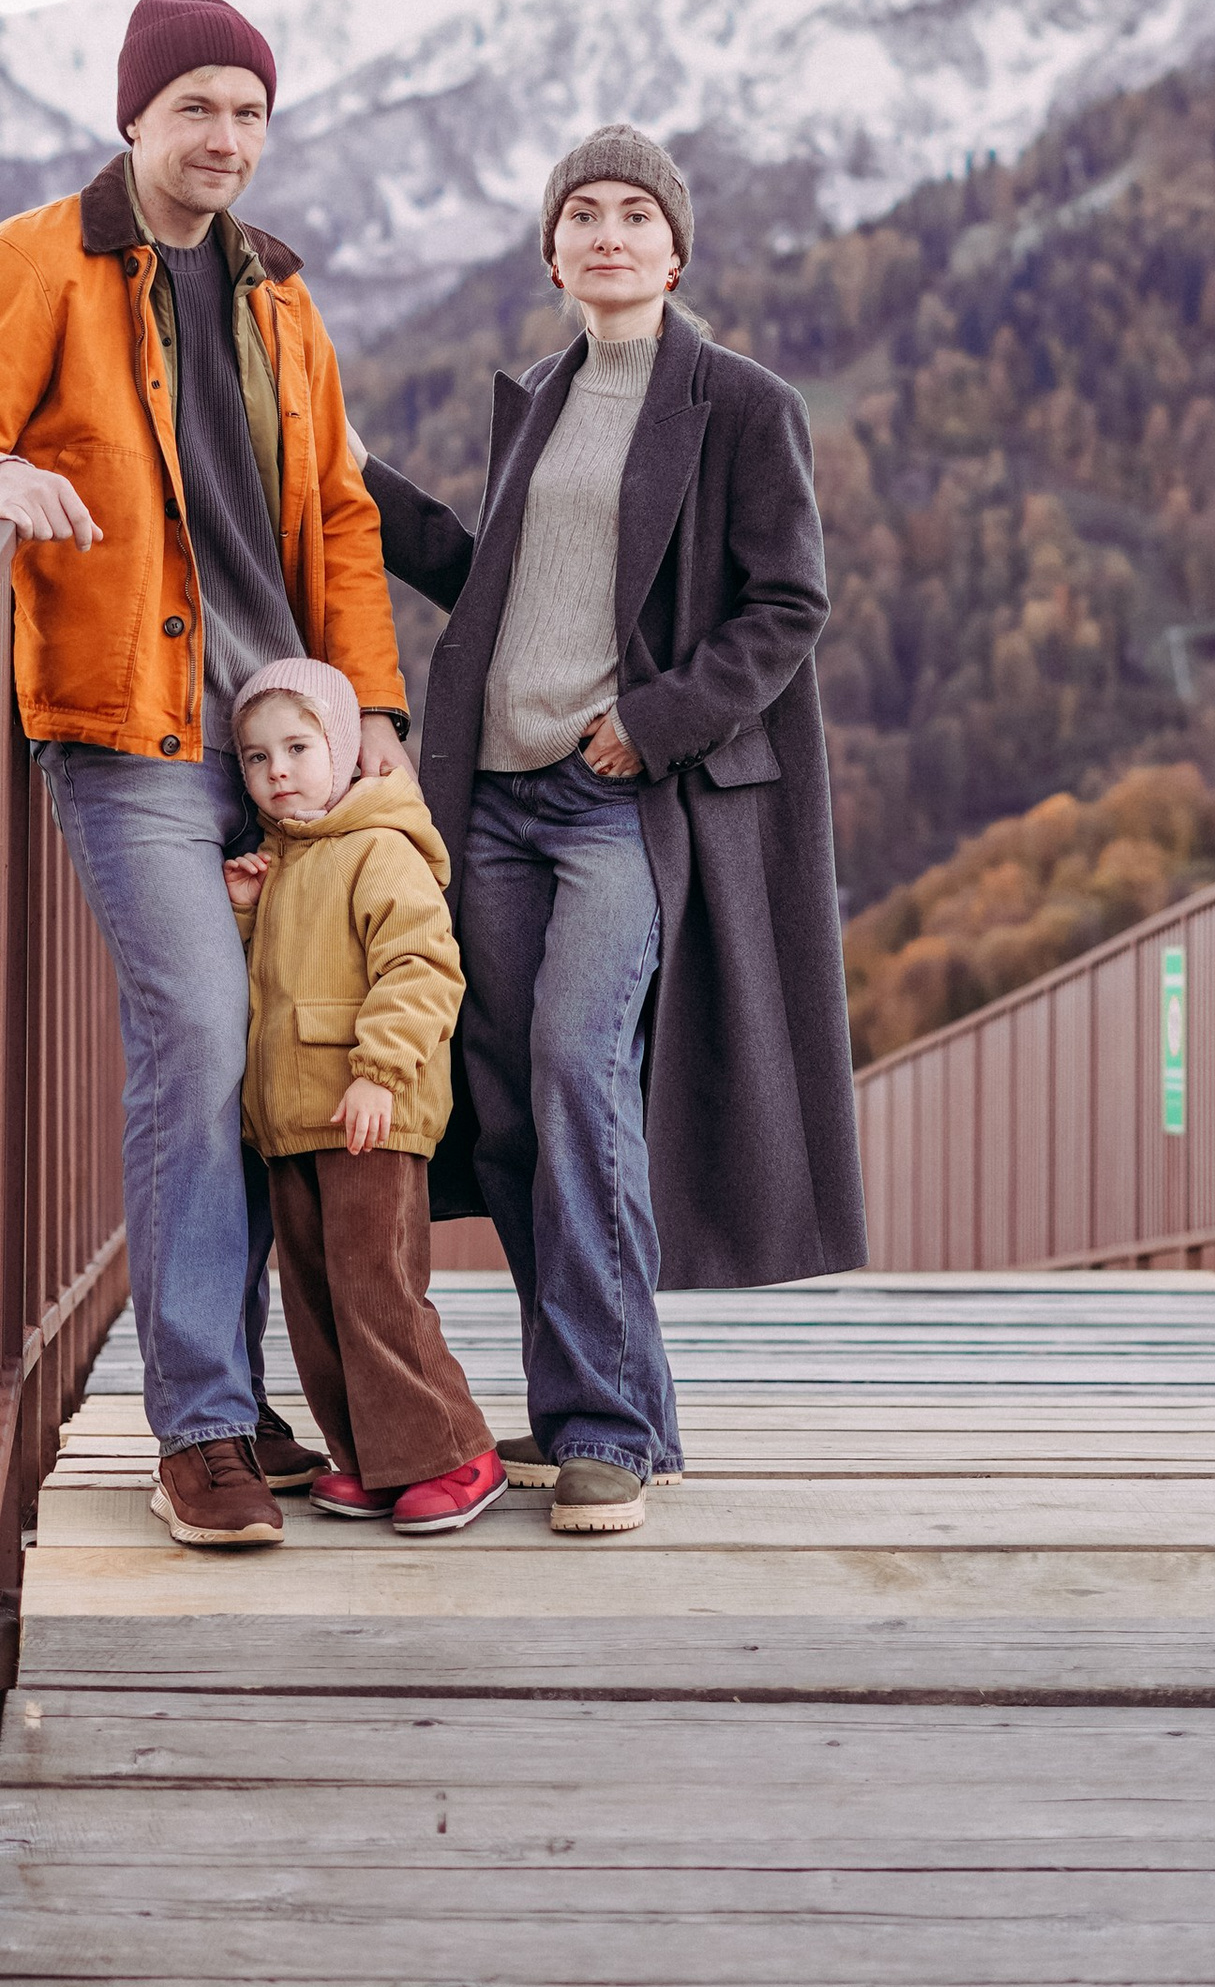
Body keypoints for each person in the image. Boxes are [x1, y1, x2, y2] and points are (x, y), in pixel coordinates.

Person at [0, 0, 412, 1551]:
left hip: (287, 746)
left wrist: (370, 706)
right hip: (130, 738)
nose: (226, 139)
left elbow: (341, 521)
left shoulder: (278, 300)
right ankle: (198, 1432)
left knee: (285, 1067)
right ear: (135, 119)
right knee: (197, 1033)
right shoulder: (33, 260)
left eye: (249, 114)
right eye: (198, 110)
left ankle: (278, 1403)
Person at [362, 124, 869, 1537]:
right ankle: (610, 1409)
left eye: (634, 215)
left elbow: (788, 606)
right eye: (580, 214)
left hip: (616, 806)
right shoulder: (541, 395)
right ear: (552, 251)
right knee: (516, 1103)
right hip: (498, 798)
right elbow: (494, 580)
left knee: (585, 1074)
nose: (606, 234)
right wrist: (363, 486)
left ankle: (604, 1432)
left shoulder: (742, 403)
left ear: (675, 248)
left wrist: (656, 721)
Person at [222, 657, 505, 1534]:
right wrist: (240, 914)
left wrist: (381, 1073)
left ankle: (457, 1455)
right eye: (256, 757)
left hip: (369, 1111)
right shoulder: (280, 863)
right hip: (292, 1120)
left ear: (344, 750)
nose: (278, 772)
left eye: (299, 748)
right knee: (315, 1298)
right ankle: (373, 1461)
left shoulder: (380, 849)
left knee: (378, 1287)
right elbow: (265, 987)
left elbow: (422, 966)